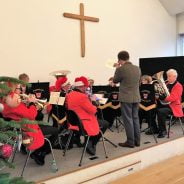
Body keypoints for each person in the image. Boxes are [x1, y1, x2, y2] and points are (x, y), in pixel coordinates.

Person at [66, 76, 109, 155]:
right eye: (85, 86)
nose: (86, 88)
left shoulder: (70, 94)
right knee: (105, 124)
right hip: (83, 122)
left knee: (100, 122)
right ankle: (91, 142)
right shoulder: (82, 96)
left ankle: (87, 140)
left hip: (73, 121)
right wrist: (94, 103)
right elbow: (92, 111)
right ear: (81, 87)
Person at [113, 50, 141, 148]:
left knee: (128, 120)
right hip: (136, 97)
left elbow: (115, 80)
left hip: (126, 98)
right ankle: (137, 141)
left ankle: (130, 142)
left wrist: (117, 68)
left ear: (120, 60)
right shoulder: (137, 68)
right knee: (135, 118)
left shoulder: (121, 69)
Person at [156, 69, 183, 138]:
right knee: (153, 109)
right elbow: (162, 94)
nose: (167, 78)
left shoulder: (178, 86)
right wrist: (158, 95)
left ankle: (163, 131)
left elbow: (173, 98)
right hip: (166, 104)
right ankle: (154, 128)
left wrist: (162, 97)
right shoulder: (167, 84)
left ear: (174, 77)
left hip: (174, 106)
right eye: (167, 76)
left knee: (161, 111)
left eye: (169, 76)